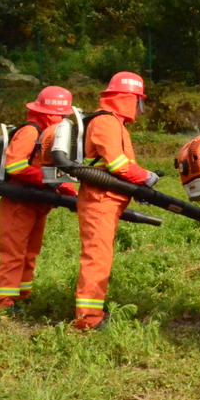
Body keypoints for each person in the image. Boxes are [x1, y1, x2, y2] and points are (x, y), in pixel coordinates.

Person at [75, 72, 158, 330]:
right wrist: (145, 177)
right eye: (137, 101)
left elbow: (119, 167)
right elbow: (117, 164)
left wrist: (139, 184)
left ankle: (90, 315)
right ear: (128, 98)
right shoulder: (106, 122)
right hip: (100, 199)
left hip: (108, 199)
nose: (138, 107)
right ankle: (87, 320)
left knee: (101, 257)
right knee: (97, 258)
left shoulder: (114, 123)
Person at [0, 87, 76, 311]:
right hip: (19, 202)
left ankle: (21, 296)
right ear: (50, 113)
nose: (63, 119)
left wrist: (71, 192)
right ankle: (5, 303)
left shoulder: (48, 135)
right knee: (13, 253)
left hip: (38, 203)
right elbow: (15, 165)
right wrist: (48, 181)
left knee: (30, 252)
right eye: (61, 115)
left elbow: (56, 171)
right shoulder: (30, 132)